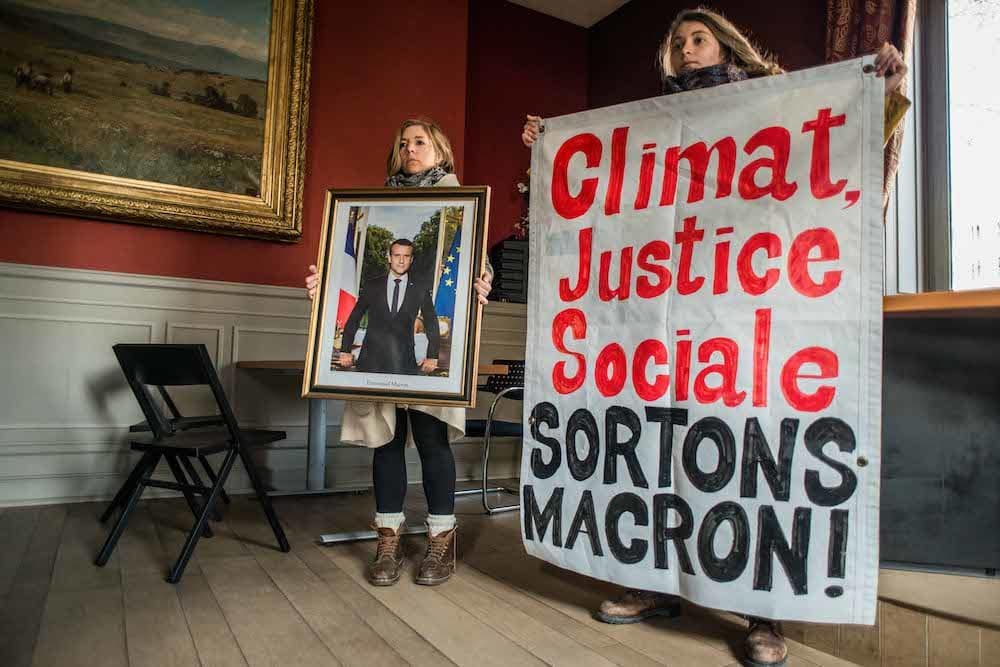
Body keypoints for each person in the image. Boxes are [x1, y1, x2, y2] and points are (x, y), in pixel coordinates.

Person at [521, 8, 907, 667]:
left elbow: (840, 144)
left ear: (725, 44)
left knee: (749, 453)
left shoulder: (777, 99)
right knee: (655, 440)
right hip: (661, 320)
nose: (688, 48)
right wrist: (549, 144)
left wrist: (883, 88)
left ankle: (763, 611)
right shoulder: (648, 126)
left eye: (699, 38)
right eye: (679, 42)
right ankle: (650, 582)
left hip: (746, 311)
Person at [306, 118, 492, 587]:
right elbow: (347, 315)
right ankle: (387, 539)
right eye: (403, 143)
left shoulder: (462, 207)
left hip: (418, 367)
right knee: (386, 443)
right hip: (375, 365)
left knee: (432, 442)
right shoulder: (373, 209)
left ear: (440, 151)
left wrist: (482, 284)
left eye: (420, 141)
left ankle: (440, 541)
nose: (410, 148)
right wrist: (324, 289)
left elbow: (466, 282)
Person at [338, 237, 440, 375]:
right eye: (397, 255)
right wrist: (345, 350)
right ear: (389, 258)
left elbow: (431, 322)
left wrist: (432, 356)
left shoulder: (420, 288)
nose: (401, 261)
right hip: (369, 362)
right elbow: (354, 319)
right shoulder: (372, 285)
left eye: (406, 256)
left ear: (411, 259)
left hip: (404, 364)